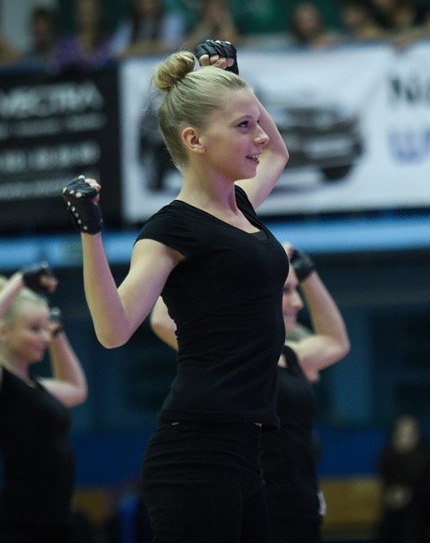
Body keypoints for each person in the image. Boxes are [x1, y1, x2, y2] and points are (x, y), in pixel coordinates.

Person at [61, 39, 289, 542]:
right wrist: (92, 234)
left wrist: (234, 80)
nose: (258, 137)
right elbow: (113, 330)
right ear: (194, 139)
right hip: (196, 456)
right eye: (242, 126)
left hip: (246, 453)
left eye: (255, 122)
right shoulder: (171, 229)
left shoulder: (241, 207)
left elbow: (278, 152)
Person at [150, 243, 351, 542]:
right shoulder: (232, 353)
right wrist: (198, 255)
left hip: (302, 509)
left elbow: (336, 341)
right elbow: (161, 321)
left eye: (295, 291)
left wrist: (307, 273)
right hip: (256, 506)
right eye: (286, 291)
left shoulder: (292, 355)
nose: (297, 303)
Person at [0, 263, 88, 543]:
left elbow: (77, 389)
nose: (43, 337)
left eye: (45, 328)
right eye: (34, 329)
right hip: (21, 526)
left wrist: (58, 335)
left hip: (58, 522)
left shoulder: (38, 387)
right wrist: (18, 282)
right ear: (2, 331)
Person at [373, 413, 430, 543]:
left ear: (418, 435)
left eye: (410, 434)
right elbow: (390, 486)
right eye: (401, 434)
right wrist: (396, 495)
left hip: (428, 509)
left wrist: (410, 495)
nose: (405, 439)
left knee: (412, 515)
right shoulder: (388, 458)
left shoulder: (429, 457)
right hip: (399, 511)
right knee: (392, 517)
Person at [110, 0, 186, 60]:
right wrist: (152, 47)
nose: (148, 6)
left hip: (164, 64)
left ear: (159, 1)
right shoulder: (129, 23)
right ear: (136, 4)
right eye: (143, 2)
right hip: (134, 66)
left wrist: (137, 48)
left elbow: (173, 45)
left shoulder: (172, 19)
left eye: (151, 1)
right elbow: (116, 51)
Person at [53, 0, 113, 72]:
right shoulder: (65, 46)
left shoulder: (112, 44)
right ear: (75, 16)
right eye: (83, 13)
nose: (88, 18)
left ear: (100, 14)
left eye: (92, 12)